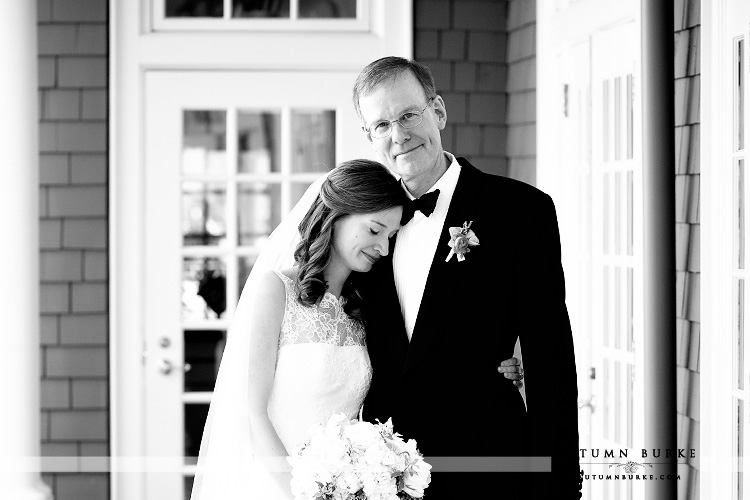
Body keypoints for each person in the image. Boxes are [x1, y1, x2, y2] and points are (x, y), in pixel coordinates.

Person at [190, 158, 524, 500]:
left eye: (391, 236)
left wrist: (498, 364)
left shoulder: (366, 305)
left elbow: (420, 359)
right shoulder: (275, 290)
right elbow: (253, 414)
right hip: (278, 486)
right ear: (337, 216)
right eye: (374, 230)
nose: (383, 248)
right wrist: (301, 495)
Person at [353, 57, 581, 499]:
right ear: (369, 136)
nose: (398, 135)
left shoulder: (520, 212)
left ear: (437, 111)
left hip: (489, 466)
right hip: (385, 475)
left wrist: (559, 487)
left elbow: (551, 359)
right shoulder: (361, 221)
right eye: (381, 125)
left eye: (408, 115)